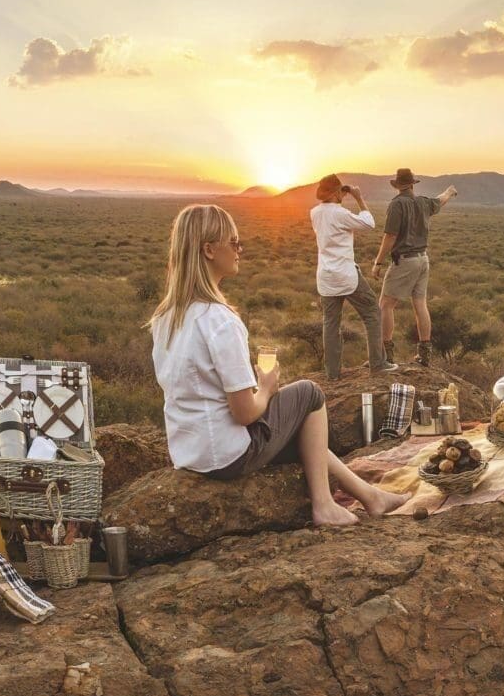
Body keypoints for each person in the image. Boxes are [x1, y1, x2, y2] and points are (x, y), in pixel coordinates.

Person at [148, 203, 410, 526]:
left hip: (190, 453)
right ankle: (324, 505)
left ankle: (371, 496)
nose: (239, 249)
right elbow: (244, 412)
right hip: (228, 455)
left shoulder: (165, 318)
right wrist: (267, 388)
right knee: (309, 395)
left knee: (306, 437)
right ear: (208, 250)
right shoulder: (219, 320)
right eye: (233, 242)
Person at [372, 168, 458, 367]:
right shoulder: (423, 202)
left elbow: (390, 236)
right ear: (412, 184)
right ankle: (425, 354)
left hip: (405, 260)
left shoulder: (397, 204)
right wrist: (449, 192)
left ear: (397, 185)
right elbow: (440, 201)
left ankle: (386, 355)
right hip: (423, 260)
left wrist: (378, 262)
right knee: (420, 304)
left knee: (386, 305)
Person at [309, 174, 389, 379]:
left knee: (331, 323)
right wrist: (359, 198)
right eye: (341, 192)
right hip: (346, 275)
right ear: (337, 193)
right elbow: (369, 223)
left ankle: (332, 373)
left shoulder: (315, 213)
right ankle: (377, 364)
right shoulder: (340, 213)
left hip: (326, 277)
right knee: (372, 312)